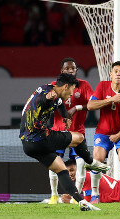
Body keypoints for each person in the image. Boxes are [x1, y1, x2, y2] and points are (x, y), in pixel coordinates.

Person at [20, 73, 109, 211]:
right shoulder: (48, 93)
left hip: (28, 145)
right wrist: (47, 98)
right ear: (66, 86)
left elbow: (59, 104)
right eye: (72, 90)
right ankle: (91, 163)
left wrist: (65, 117)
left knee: (61, 170)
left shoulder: (48, 89)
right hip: (40, 138)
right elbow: (45, 99)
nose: (72, 94)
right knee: (79, 138)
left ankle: (82, 202)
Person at [87, 61, 120, 203]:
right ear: (110, 74)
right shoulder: (102, 86)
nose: (118, 74)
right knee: (97, 160)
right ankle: (95, 195)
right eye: (115, 71)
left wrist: (118, 135)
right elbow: (90, 105)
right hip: (103, 132)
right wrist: (111, 100)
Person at [48, 58, 94, 204]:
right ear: (62, 71)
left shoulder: (84, 85)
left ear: (76, 70)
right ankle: (54, 194)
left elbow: (93, 103)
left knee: (80, 165)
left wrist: (78, 107)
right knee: (54, 163)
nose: (70, 71)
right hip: (58, 132)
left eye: (73, 68)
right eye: (67, 69)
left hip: (77, 133)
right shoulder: (54, 87)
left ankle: (77, 197)